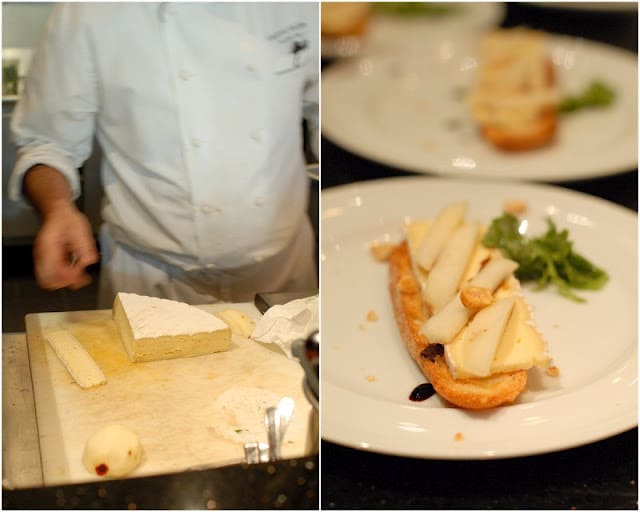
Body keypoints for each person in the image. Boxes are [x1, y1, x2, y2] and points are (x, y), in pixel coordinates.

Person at [9, 2, 319, 308]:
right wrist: (57, 208)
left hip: (283, 275)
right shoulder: (87, 11)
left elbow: (330, 108)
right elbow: (47, 143)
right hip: (152, 284)